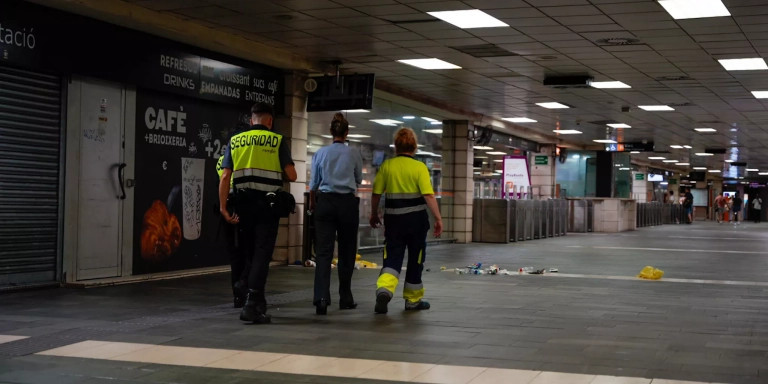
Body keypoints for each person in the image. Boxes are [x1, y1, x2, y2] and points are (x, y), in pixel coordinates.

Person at [219, 102, 297, 324]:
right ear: (270, 121)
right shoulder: (278, 140)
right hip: (266, 206)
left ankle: (253, 298)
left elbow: (225, 177)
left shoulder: (235, 141)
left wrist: (224, 208)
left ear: (251, 119)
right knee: (262, 254)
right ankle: (252, 300)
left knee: (250, 253)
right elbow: (291, 175)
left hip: (243, 205)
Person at [369, 128, 442, 314]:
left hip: (394, 221)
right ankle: (412, 301)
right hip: (416, 222)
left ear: (396, 146)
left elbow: (376, 193)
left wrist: (373, 213)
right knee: (415, 260)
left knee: (392, 257)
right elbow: (428, 195)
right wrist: (438, 218)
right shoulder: (419, 168)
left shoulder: (387, 166)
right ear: (414, 147)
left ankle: (384, 291)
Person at [309, 113, 363, 315]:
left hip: (325, 202)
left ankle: (321, 299)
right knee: (347, 251)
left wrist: (315, 204)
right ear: (347, 133)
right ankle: (346, 297)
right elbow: (358, 178)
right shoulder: (354, 153)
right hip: (347, 204)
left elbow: (313, 184)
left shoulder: (320, 153)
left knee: (323, 252)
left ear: (331, 132)